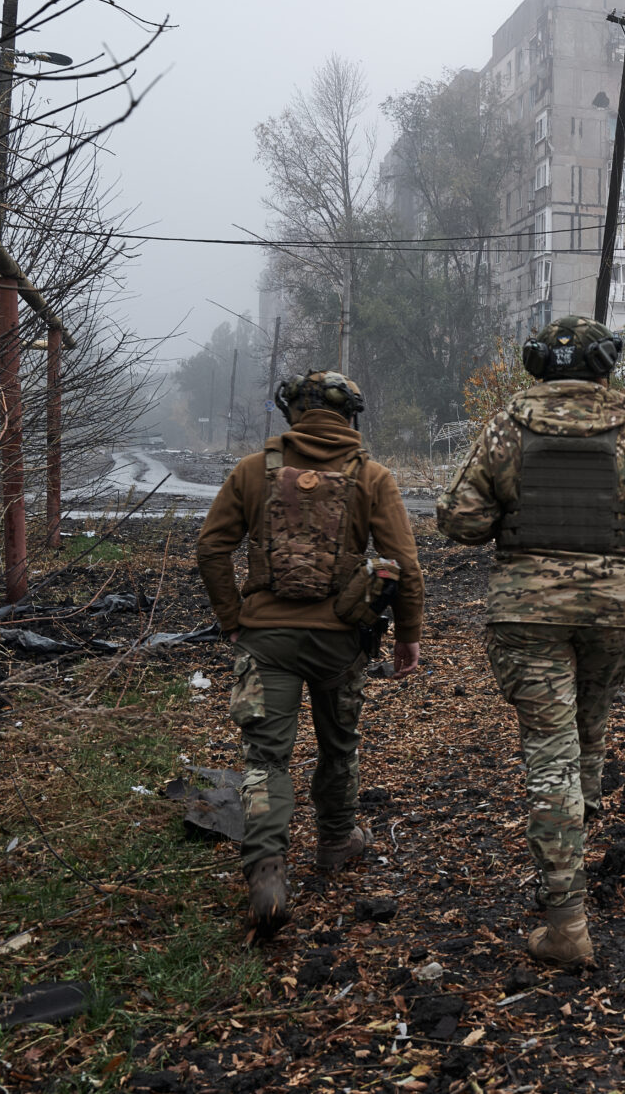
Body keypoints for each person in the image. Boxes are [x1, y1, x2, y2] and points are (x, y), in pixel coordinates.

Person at [436, 315, 625, 967]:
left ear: (539, 366)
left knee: (552, 756)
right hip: (612, 615)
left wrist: (512, 510)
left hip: (528, 615)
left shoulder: (504, 428)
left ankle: (566, 918)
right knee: (588, 727)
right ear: (605, 366)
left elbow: (460, 519)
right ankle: (573, 842)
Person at [195, 369, 426, 936]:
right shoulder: (372, 476)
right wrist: (406, 635)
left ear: (292, 413)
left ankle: (268, 873)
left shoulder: (253, 471)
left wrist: (232, 619)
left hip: (265, 638)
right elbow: (406, 565)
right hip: (341, 642)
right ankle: (335, 841)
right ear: (350, 416)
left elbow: (212, 547)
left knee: (265, 759)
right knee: (338, 745)